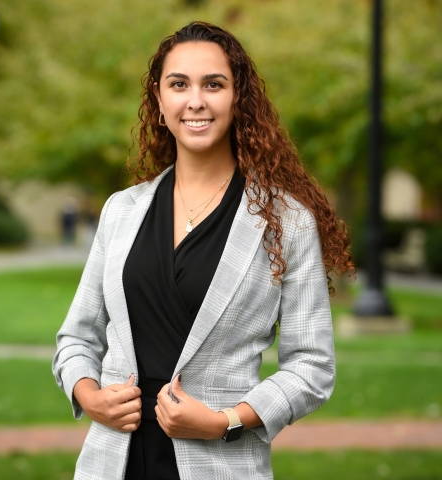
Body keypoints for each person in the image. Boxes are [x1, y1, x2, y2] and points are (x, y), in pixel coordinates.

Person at [53, 21, 354, 480]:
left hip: (221, 464)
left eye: (213, 84)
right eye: (179, 84)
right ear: (159, 100)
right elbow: (76, 337)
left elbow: (312, 366)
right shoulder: (122, 211)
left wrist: (224, 422)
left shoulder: (286, 221)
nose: (195, 101)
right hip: (112, 463)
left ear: (238, 99)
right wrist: (90, 396)